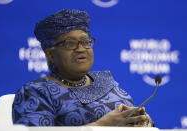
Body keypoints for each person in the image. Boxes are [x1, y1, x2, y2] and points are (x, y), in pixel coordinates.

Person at [12, 9, 153, 126]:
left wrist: (142, 121)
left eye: (85, 41)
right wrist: (99, 127)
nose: (81, 49)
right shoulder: (36, 92)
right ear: (50, 54)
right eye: (69, 43)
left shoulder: (105, 80)